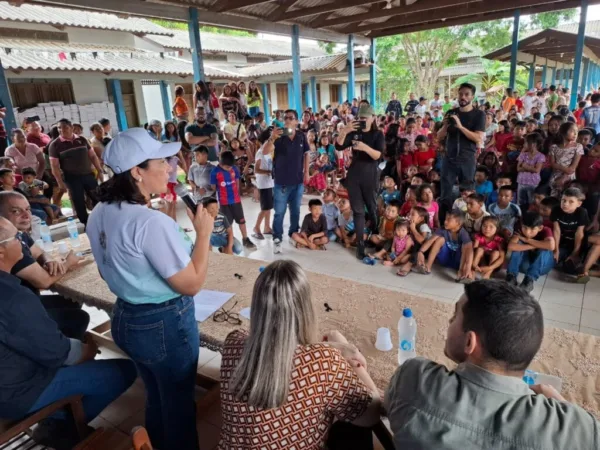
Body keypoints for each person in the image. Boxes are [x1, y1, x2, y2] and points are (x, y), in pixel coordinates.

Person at [87, 128, 215, 450]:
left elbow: (106, 273)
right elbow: (192, 285)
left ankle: (155, 443)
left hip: (127, 318)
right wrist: (203, 234)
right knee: (180, 408)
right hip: (163, 325)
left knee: (158, 394)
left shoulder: (99, 212)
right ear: (137, 172)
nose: (171, 167)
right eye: (162, 161)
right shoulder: (149, 223)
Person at [385, 279, 600, 449]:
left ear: (470, 342)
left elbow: (388, 411)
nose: (449, 322)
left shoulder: (414, 379)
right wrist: (563, 407)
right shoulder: (578, 429)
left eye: (454, 316)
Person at [0, 216, 137, 449]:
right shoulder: (11, 298)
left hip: (12, 372)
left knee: (73, 319)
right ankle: (61, 426)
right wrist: (88, 350)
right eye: (17, 238)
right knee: (123, 370)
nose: (23, 242)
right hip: (15, 391)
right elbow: (57, 352)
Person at [220, 260, 381, 450]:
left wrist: (330, 347)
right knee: (353, 425)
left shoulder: (233, 341)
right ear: (305, 308)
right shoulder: (324, 362)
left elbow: (281, 350)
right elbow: (372, 414)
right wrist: (348, 353)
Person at [0, 190, 88, 338]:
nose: (27, 215)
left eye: (27, 209)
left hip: (25, 299)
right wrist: (68, 263)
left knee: (71, 300)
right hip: (15, 312)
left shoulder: (19, 235)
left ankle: (63, 340)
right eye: (16, 211)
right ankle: (64, 351)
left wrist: (48, 260)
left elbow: (38, 251)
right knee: (80, 318)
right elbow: (44, 281)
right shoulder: (8, 247)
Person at [335, 105, 384, 259]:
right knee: (358, 210)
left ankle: (374, 233)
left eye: (365, 117)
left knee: (371, 206)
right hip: (355, 174)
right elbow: (338, 145)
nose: (362, 120)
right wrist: (345, 130)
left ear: (373, 117)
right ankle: (360, 244)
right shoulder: (354, 133)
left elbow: (378, 156)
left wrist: (364, 147)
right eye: (360, 118)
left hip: (370, 174)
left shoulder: (377, 134)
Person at [437, 83, 486, 222]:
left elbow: (478, 137)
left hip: (467, 159)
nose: (463, 97)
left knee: (468, 194)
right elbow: (439, 136)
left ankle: (467, 223)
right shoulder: (451, 112)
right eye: (460, 94)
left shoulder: (479, 114)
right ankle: (444, 223)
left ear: (472, 96)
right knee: (445, 194)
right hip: (449, 159)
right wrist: (446, 125)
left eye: (466, 94)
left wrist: (460, 126)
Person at [264, 110, 310, 254]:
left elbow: (306, 154)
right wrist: (272, 138)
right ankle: (277, 238)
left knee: (295, 211)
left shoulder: (301, 136)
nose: (288, 120)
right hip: (281, 182)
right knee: (279, 212)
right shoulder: (278, 136)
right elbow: (265, 151)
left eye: (291, 118)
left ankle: (293, 234)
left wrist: (307, 172)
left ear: (297, 121)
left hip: (297, 181)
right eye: (286, 118)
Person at [48, 119, 102, 225]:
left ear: (71, 128)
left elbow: (92, 156)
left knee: (97, 197)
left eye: (65, 127)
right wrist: (60, 182)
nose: (61, 130)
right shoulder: (54, 145)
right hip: (72, 178)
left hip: (88, 175)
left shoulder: (82, 139)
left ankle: (101, 219)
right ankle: (87, 224)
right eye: (59, 128)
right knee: (78, 202)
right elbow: (54, 166)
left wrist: (99, 170)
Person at [507, 211, 555, 292]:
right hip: (524, 265)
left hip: (543, 267)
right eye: (525, 227)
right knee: (517, 245)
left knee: (544, 249)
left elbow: (551, 246)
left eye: (532, 229)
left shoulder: (546, 230)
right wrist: (535, 245)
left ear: (540, 228)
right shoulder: (519, 229)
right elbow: (511, 246)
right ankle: (511, 276)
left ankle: (529, 280)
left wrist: (526, 240)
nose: (528, 232)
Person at [551, 187, 589, 274]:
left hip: (576, 242)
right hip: (563, 241)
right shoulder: (556, 210)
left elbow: (579, 233)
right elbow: (556, 230)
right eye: (563, 200)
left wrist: (575, 253)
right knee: (553, 260)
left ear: (579, 203)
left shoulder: (582, 212)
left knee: (570, 269)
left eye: (571, 201)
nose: (565, 204)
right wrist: (556, 250)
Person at [252, 130, 274, 240]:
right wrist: (269, 172)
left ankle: (267, 227)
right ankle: (256, 227)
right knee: (265, 207)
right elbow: (256, 169)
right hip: (264, 183)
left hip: (269, 182)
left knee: (269, 207)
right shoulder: (260, 152)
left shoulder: (268, 152)